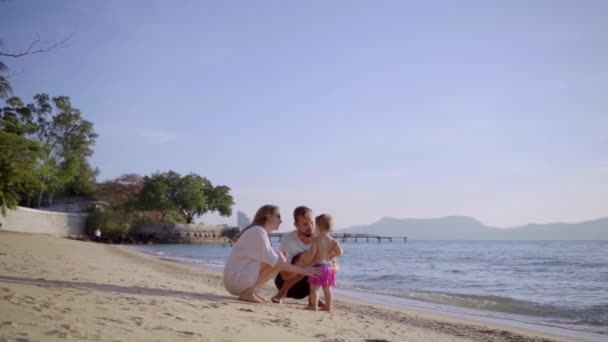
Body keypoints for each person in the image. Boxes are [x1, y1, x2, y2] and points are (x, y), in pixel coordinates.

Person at [223, 205, 321, 303]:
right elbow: (278, 263)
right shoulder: (258, 231)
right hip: (236, 281)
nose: (281, 221)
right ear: (268, 216)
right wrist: (304, 271)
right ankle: (249, 293)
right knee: (279, 257)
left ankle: (252, 291)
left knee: (279, 255)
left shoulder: (258, 231)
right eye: (278, 216)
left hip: (236, 280)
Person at [272, 206, 319, 305]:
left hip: (306, 288)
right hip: (284, 282)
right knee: (305, 257)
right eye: (305, 224)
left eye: (312, 222)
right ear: (296, 225)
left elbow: (336, 265)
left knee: (326, 263)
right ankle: (282, 293)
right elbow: (284, 275)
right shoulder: (288, 240)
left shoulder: (322, 238)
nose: (310, 227)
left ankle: (314, 296)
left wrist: (331, 266)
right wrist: (304, 268)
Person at [302, 214, 343, 311]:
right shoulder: (333, 241)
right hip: (329, 267)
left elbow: (312, 253)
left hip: (318, 267)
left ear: (319, 226)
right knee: (327, 288)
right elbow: (340, 252)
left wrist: (305, 260)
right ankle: (328, 307)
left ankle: (314, 306)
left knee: (314, 289)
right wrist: (333, 255)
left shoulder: (316, 240)